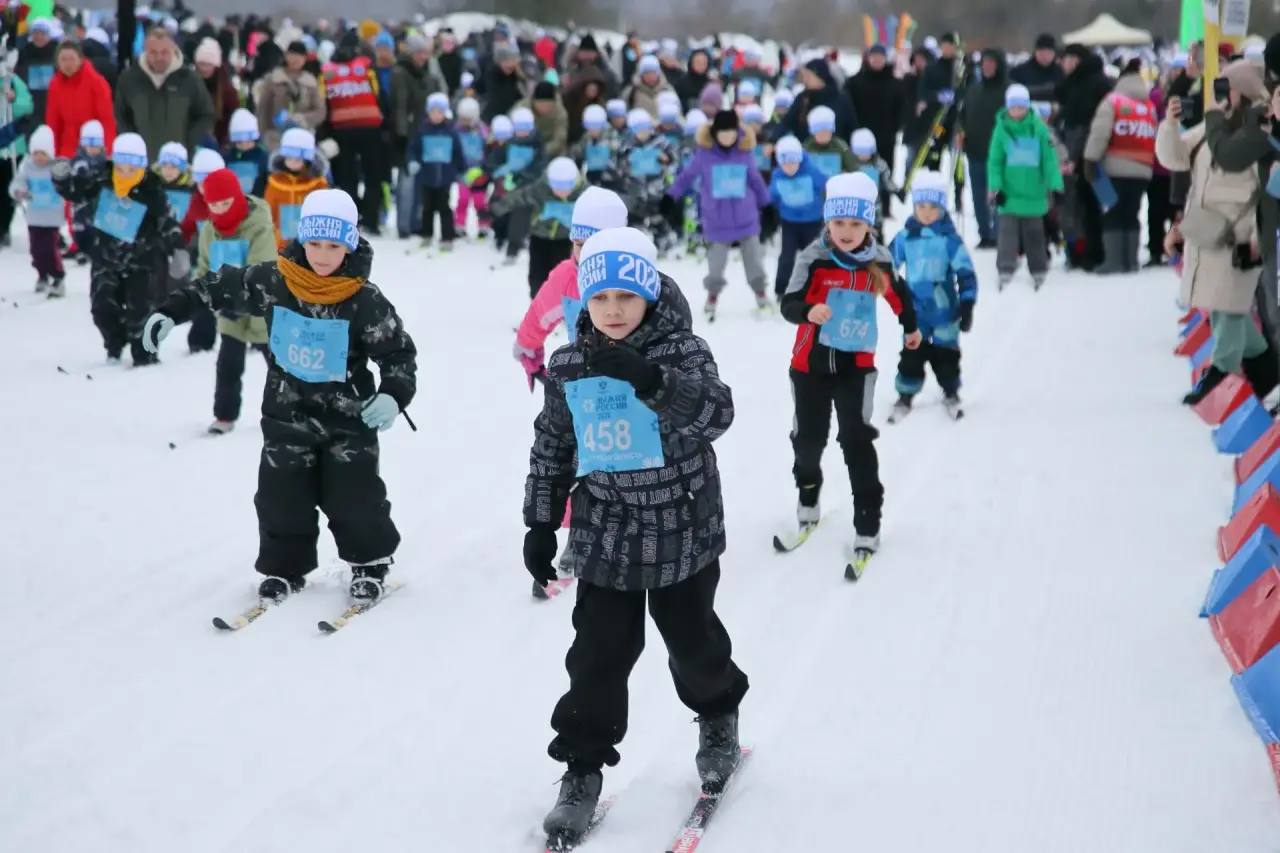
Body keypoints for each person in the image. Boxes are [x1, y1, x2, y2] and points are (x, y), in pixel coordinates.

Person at [524, 225, 748, 849]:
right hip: (606, 532)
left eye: (626, 296)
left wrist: (652, 380)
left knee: (693, 641)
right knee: (597, 655)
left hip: (682, 527)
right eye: (600, 299)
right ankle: (581, 768)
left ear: (648, 294)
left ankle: (718, 716)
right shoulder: (569, 362)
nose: (614, 310)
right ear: (585, 302)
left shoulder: (683, 351)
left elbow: (718, 414)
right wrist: (540, 522)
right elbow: (553, 445)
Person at [140, 189, 418, 602]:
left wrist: (394, 395)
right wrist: (172, 310)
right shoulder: (276, 280)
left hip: (348, 423)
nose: (323, 255)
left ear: (350, 244)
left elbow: (398, 354)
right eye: (315, 243)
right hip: (286, 417)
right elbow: (218, 285)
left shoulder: (365, 300)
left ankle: (369, 562)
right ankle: (285, 568)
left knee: (354, 496)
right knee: (280, 497)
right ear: (302, 241)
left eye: (334, 245)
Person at [780, 172, 920, 572]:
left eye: (855, 224)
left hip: (855, 367)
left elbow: (899, 294)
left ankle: (867, 522)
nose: (846, 231)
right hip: (809, 366)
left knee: (856, 439)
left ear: (868, 224)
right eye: (838, 223)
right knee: (808, 440)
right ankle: (808, 495)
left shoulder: (878, 260)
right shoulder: (814, 259)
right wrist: (808, 311)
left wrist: (910, 327)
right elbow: (788, 303)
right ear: (827, 222)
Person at [1160, 60, 1271, 405]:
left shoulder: (1260, 129)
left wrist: (1257, 235)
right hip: (1209, 229)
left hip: (1241, 231)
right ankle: (1265, 362)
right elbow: (1174, 158)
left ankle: (1222, 370)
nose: (1223, 95)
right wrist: (1170, 124)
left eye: (1228, 88)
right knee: (1219, 302)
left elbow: (1266, 188)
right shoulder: (1214, 127)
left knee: (1230, 304)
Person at [51, 132, 185, 366]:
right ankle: (114, 341)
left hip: (142, 261)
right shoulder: (103, 179)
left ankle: (144, 352)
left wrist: (177, 245)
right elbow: (77, 190)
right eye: (121, 166)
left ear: (142, 165)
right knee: (102, 307)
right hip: (106, 258)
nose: (125, 172)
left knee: (141, 312)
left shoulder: (151, 189)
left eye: (132, 167)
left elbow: (167, 219)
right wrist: (62, 178)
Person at [184, 168, 278, 435]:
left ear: (237, 198)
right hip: (228, 311)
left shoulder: (259, 225)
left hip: (262, 310)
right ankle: (224, 415)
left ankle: (297, 410)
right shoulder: (209, 232)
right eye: (214, 205)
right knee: (228, 364)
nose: (221, 210)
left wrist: (240, 301)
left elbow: (262, 269)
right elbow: (203, 267)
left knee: (278, 364)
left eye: (226, 203)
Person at [511, 186, 630, 386]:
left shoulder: (635, 274)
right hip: (585, 382)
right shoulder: (567, 278)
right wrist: (528, 348)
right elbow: (540, 313)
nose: (585, 253)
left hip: (636, 380)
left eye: (594, 244)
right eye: (579, 244)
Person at [887, 170, 977, 421]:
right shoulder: (906, 237)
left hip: (946, 311)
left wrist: (967, 303)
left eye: (933, 207)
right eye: (921, 206)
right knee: (911, 355)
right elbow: (886, 264)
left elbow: (966, 273)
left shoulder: (950, 240)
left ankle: (950, 390)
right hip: (914, 312)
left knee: (947, 354)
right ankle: (905, 393)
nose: (926, 212)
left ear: (942, 208)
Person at [665, 109, 772, 320]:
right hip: (716, 219)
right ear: (714, 133)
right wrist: (670, 196)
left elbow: (756, 181)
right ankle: (712, 297)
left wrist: (767, 205)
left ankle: (761, 294)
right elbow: (686, 177)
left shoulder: (744, 153)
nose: (727, 137)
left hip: (745, 217)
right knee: (716, 264)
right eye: (722, 133)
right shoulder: (704, 155)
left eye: (731, 132)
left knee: (753, 260)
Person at [1084, 59, 1157, 274]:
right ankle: (1131, 261)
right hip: (1143, 169)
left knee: (1113, 212)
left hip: (1114, 168)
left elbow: (1100, 133)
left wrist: (1090, 159)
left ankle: (1114, 261)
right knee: (1131, 213)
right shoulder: (1148, 106)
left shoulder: (1113, 101)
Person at [988, 84, 1062, 290]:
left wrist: (1054, 183)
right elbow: (995, 161)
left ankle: (1038, 268)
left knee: (1035, 234)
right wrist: (996, 186)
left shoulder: (1039, 129)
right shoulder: (1001, 130)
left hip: (1034, 194)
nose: (1017, 111)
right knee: (1007, 235)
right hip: (1009, 194)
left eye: (1021, 107)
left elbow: (1049, 159)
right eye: (1014, 107)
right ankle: (1005, 267)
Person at [490, 156, 585, 298]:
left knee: (564, 277)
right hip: (540, 238)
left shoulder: (584, 193)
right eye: (557, 186)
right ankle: (537, 305)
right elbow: (520, 196)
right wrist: (499, 206)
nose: (561, 192)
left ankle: (564, 309)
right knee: (537, 276)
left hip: (566, 240)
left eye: (566, 186)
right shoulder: (540, 190)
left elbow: (601, 207)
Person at [115, 28, 216, 157]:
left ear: (173, 50)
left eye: (164, 52)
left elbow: (205, 115)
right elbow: (120, 116)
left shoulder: (189, 79)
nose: (159, 58)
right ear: (145, 51)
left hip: (178, 164)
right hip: (140, 165)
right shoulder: (129, 79)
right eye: (153, 52)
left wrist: (189, 144)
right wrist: (132, 145)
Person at [322, 41, 386, 233]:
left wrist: (325, 133)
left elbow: (324, 102)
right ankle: (372, 221)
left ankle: (351, 221)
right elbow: (380, 95)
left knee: (347, 178)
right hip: (370, 128)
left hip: (341, 130)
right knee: (373, 177)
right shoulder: (366, 66)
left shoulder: (327, 70)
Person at [843, 44, 905, 216]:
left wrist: (895, 127)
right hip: (861, 139)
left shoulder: (895, 83)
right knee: (859, 171)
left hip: (886, 137)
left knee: (885, 170)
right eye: (874, 56)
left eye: (880, 57)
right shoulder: (855, 82)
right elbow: (848, 108)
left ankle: (885, 207)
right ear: (868, 58)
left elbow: (902, 109)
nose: (877, 60)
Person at [958, 48, 1007, 249]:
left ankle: (1000, 232)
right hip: (975, 150)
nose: (987, 67)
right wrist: (960, 130)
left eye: (991, 63)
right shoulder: (973, 89)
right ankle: (984, 233)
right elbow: (963, 115)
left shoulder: (1008, 89)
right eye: (984, 63)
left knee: (999, 194)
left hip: (1001, 154)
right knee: (978, 195)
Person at [405, 92, 465, 252]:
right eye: (433, 111)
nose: (436, 115)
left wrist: (460, 169)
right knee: (427, 208)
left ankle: (447, 237)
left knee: (444, 207)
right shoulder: (422, 131)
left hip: (445, 177)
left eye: (440, 112)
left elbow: (458, 152)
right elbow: (413, 149)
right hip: (426, 176)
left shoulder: (451, 131)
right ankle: (426, 235)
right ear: (428, 112)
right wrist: (412, 161)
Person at [9, 124, 65, 295]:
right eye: (36, 153)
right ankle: (42, 275)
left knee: (49, 248)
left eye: (43, 154)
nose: (39, 158)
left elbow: (68, 182)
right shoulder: (27, 165)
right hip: (34, 216)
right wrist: (19, 192)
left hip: (52, 217)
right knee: (36, 249)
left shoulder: (57, 167)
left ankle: (57, 276)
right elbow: (18, 182)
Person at [769, 135, 826, 299]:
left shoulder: (811, 171)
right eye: (785, 162)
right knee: (786, 257)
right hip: (789, 223)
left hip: (812, 222)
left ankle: (816, 287)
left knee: (813, 257)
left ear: (800, 159)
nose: (789, 166)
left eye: (793, 162)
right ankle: (781, 289)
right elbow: (773, 194)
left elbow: (825, 184)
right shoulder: (777, 175)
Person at [254, 40, 327, 152]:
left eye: (300, 56)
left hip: (302, 136)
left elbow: (320, 111)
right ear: (286, 56)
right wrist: (264, 133)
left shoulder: (310, 82)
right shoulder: (273, 79)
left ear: (305, 59)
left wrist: (303, 118)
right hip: (276, 137)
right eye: (292, 55)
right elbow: (263, 109)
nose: (295, 59)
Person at [264, 127, 330, 248]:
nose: (292, 162)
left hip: (309, 242)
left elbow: (324, 212)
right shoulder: (275, 182)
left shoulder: (318, 184)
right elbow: (269, 210)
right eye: (289, 158)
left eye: (298, 159)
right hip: (280, 243)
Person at [0, 47, 34, 249]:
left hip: (12, 147)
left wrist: (14, 100)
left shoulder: (13, 81)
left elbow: (27, 106)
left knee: (7, 190)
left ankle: (4, 227)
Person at [782, 58, 856, 143]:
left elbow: (853, 129)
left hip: (837, 152)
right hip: (806, 151)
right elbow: (786, 123)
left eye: (808, 76)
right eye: (803, 76)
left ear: (820, 77)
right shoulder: (802, 98)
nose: (804, 80)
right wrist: (772, 140)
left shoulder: (841, 99)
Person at [193, 38, 240, 147]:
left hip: (220, 143)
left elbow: (232, 117)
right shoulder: (192, 85)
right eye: (201, 64)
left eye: (208, 65)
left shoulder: (227, 91)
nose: (204, 69)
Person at [15, 17, 56, 125]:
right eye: (36, 33)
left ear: (49, 36)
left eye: (43, 33)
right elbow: (16, 79)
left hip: (51, 109)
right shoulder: (24, 54)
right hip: (27, 109)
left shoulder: (57, 55)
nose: (39, 37)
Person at [802, 106, 855, 179]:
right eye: (819, 131)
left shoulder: (841, 146)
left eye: (826, 131)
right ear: (813, 132)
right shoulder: (806, 147)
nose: (823, 135)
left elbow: (854, 170)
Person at [1009, 34, 1064, 102]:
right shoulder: (1019, 72)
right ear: (1035, 52)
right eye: (1041, 53)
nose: (1045, 56)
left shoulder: (1061, 72)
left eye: (1048, 53)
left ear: (1054, 54)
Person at [674, 48, 714, 112]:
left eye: (704, 62)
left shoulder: (711, 85)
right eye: (698, 62)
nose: (701, 65)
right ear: (691, 63)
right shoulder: (681, 83)